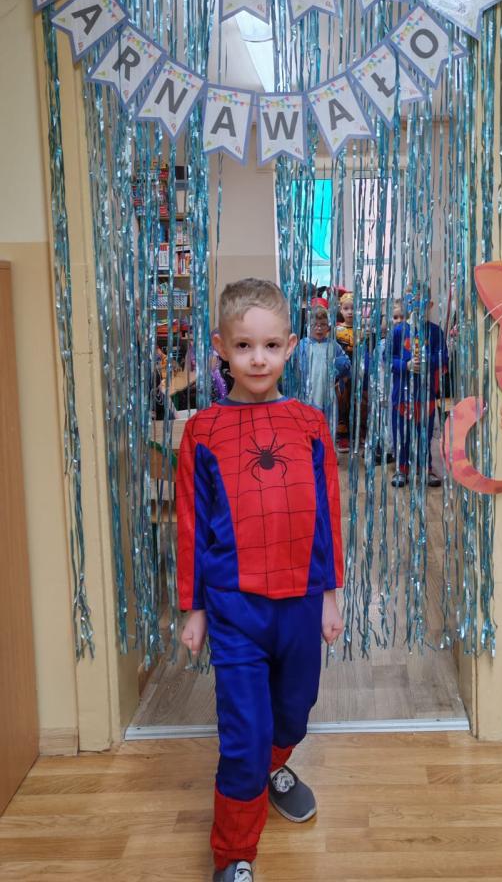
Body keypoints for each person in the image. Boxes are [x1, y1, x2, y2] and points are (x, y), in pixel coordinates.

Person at [176, 278, 344, 882]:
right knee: (244, 737)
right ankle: (234, 855)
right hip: (234, 608)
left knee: (293, 714)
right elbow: (192, 524)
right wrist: (195, 608)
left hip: (301, 601)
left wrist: (330, 596)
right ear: (220, 347)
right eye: (243, 346)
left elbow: (327, 516)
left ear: (291, 347)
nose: (257, 359)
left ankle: (275, 766)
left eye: (271, 346)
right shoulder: (202, 431)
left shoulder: (310, 424)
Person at [389, 296, 448, 488]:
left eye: (421, 300)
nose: (416, 305)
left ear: (429, 304)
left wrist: (427, 362)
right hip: (402, 396)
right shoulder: (398, 331)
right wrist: (405, 365)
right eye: (412, 301)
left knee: (425, 433)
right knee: (402, 433)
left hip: (426, 395)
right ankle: (401, 469)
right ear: (406, 304)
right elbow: (387, 359)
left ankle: (425, 468)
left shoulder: (435, 332)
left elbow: (444, 358)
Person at [297, 299, 351, 434]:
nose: (319, 328)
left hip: (328, 394)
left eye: (323, 325)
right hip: (308, 394)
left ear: (328, 326)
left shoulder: (333, 345)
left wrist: (339, 370)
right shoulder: (303, 345)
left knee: (328, 426)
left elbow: (347, 364)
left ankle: (328, 444)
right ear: (309, 326)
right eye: (315, 325)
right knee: (309, 426)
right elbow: (296, 369)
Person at [335, 291, 355, 452]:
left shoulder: (362, 329)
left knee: (358, 401)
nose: (350, 312)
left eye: (353, 308)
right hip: (342, 373)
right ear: (340, 310)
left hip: (359, 369)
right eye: (346, 308)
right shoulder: (337, 330)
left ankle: (358, 432)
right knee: (342, 401)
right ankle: (343, 435)